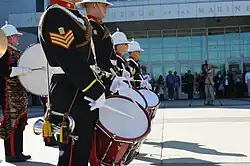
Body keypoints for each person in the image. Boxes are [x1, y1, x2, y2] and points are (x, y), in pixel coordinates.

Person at [39, 0, 127, 165]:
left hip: (81, 91)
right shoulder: (55, 15)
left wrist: (109, 80)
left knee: (82, 151)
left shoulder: (73, 15)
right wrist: (94, 89)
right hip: (70, 92)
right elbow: (69, 59)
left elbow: (89, 62)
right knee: (72, 156)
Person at [0, 22, 31, 162]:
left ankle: (18, 151)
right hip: (9, 94)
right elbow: (5, 71)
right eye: (15, 36)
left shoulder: (13, 51)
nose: (17, 39)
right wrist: (22, 70)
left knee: (19, 124)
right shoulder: (3, 51)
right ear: (7, 37)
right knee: (11, 124)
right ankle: (11, 154)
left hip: (18, 93)